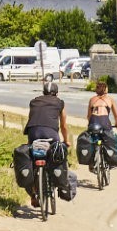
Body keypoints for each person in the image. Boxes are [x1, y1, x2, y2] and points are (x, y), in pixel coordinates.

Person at [22, 78, 73, 210]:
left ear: (43, 92)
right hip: (51, 134)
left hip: (33, 133)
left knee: (33, 160)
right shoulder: (59, 103)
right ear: (56, 93)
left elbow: (31, 118)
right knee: (57, 156)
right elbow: (63, 125)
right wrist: (66, 141)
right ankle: (61, 184)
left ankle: (33, 194)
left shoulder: (34, 101)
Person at [87, 79, 117, 163]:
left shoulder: (92, 99)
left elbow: (89, 116)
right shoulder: (110, 99)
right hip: (104, 121)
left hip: (94, 121)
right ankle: (108, 159)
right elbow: (116, 115)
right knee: (109, 140)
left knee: (93, 140)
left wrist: (90, 125)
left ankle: (92, 160)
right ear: (105, 89)